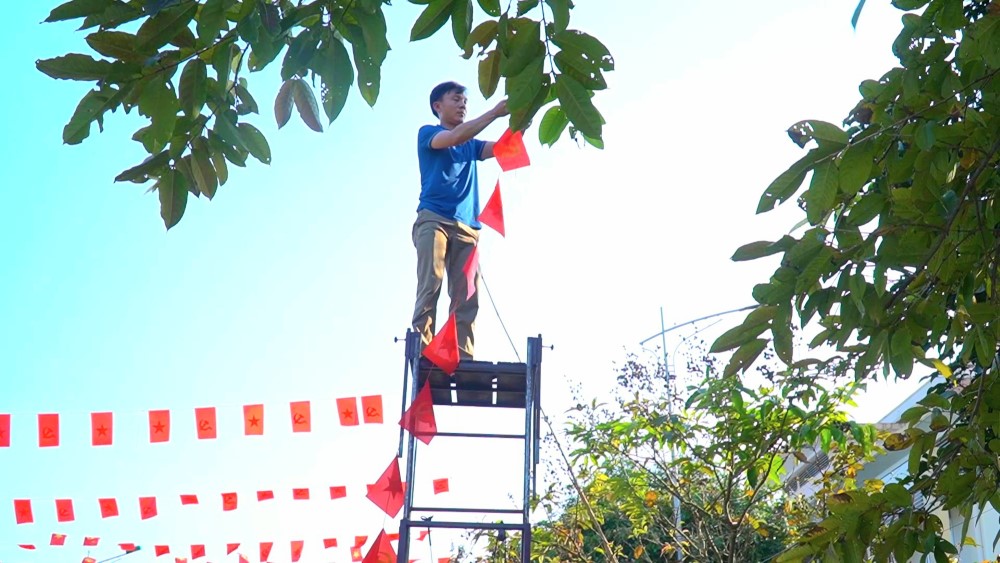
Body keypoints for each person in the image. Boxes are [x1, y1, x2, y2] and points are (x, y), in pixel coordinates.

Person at [412, 81, 508, 360]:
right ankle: (422, 350)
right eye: (456, 99)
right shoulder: (428, 133)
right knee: (431, 282)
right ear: (437, 106)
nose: (463, 104)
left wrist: (523, 115)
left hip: (468, 228)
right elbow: (453, 138)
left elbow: (504, 148)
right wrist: (494, 113)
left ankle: (462, 355)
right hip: (434, 220)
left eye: (465, 101)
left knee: (467, 294)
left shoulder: (472, 145)